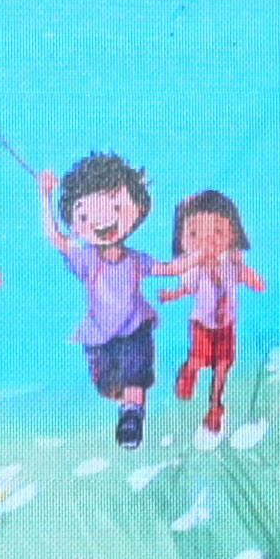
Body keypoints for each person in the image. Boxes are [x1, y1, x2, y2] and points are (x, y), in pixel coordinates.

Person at [40, 151, 170, 449]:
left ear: (138, 208)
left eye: (115, 206)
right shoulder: (86, 258)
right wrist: (45, 197)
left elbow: (166, 268)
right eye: (85, 215)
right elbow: (55, 238)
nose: (104, 221)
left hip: (135, 328)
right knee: (108, 385)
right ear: (74, 222)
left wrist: (193, 261)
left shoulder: (136, 259)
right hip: (100, 335)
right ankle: (126, 402)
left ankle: (132, 417)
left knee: (136, 377)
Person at [159, 189, 262, 434]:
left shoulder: (231, 266)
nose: (208, 242)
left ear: (233, 234)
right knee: (199, 359)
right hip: (202, 325)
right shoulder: (195, 269)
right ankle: (189, 371)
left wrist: (244, 271)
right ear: (183, 241)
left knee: (223, 365)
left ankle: (215, 406)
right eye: (195, 234)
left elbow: (257, 285)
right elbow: (188, 288)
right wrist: (172, 295)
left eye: (217, 232)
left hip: (226, 325)